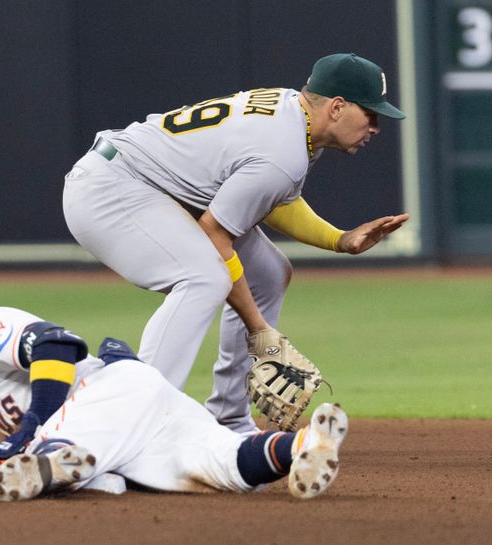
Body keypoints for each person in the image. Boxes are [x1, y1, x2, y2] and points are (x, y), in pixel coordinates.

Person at [62, 52, 409, 433]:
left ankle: (230, 418)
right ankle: (135, 422)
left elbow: (268, 197)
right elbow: (216, 235)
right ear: (338, 107)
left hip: (148, 185)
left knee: (268, 274)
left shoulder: (291, 113)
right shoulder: (284, 150)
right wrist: (260, 331)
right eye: (370, 114)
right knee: (203, 277)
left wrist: (339, 239)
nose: (375, 126)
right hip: (111, 189)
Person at [0, 253, 348, 501]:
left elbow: (55, 344)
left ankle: (56, 461)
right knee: (224, 464)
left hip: (109, 395)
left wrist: (30, 429)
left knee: (52, 447)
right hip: (139, 407)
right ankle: (302, 446)